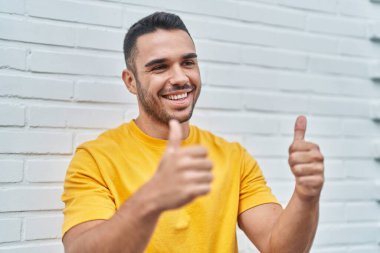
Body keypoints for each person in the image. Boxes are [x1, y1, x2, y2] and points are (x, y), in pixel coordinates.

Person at [61, 12, 324, 253]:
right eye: (159, 67)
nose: (180, 78)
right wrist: (150, 200)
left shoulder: (232, 156)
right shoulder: (95, 159)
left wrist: (306, 195)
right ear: (131, 81)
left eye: (188, 63)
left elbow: (280, 248)